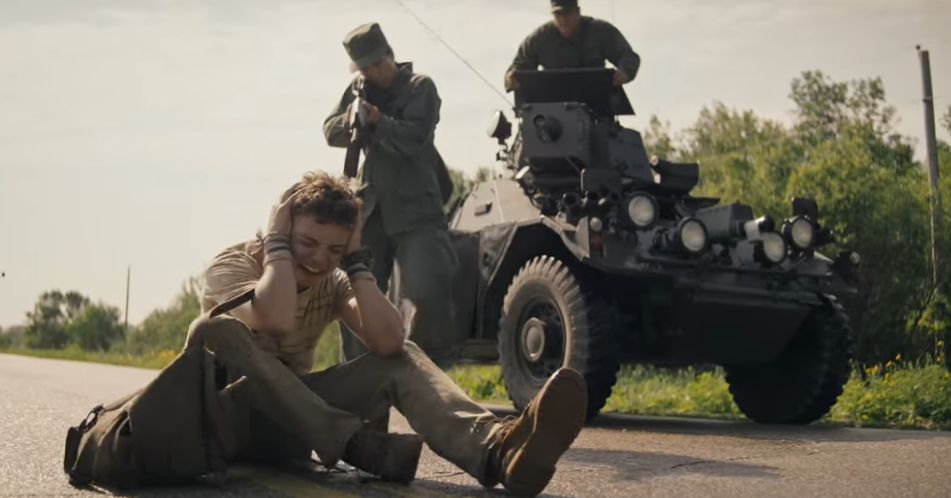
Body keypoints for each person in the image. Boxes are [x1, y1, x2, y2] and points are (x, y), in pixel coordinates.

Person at [186, 170, 589, 497]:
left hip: (291, 431)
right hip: (224, 426)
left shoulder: (333, 279)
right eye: (308, 242)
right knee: (218, 328)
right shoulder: (233, 266)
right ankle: (353, 443)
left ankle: (501, 452)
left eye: (334, 249)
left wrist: (356, 263)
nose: (320, 259)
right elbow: (275, 317)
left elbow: (388, 340)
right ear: (281, 227)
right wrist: (277, 245)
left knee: (401, 356)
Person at [322, 22, 459, 368]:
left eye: (376, 64)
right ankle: (358, 379)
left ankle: (425, 373)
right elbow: (329, 130)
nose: (372, 72)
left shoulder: (420, 87)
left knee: (428, 292)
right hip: (370, 209)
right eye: (365, 68)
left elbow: (415, 136)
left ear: (390, 55)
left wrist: (378, 121)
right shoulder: (358, 90)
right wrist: (352, 118)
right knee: (355, 293)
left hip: (418, 210)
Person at [503, 0, 642, 92]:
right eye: (558, 14)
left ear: (578, 11)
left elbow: (628, 56)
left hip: (596, 103)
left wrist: (624, 72)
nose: (563, 19)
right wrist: (511, 77)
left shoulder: (600, 31)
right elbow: (520, 64)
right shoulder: (540, 38)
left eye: (567, 13)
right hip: (553, 103)